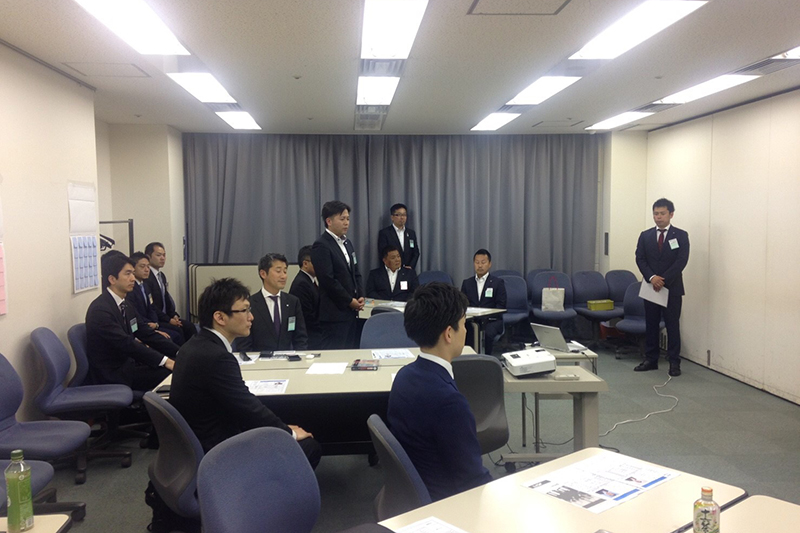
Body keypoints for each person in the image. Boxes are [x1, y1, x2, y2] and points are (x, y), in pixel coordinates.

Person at [169, 277, 321, 468]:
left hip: (193, 444)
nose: (251, 317)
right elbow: (248, 408)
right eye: (245, 310)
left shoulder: (194, 345)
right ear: (220, 317)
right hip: (216, 451)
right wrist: (287, 432)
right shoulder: (217, 357)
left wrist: (278, 427)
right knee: (309, 447)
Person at [387, 282, 492, 501]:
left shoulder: (404, 376)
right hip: (447, 504)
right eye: (463, 324)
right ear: (449, 334)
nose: (465, 330)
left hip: (415, 494)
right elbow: (473, 481)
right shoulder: (449, 402)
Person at [85, 253, 177, 390]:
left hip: (128, 364)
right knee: (169, 372)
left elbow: (145, 333)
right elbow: (126, 343)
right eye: (128, 274)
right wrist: (165, 361)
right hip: (111, 372)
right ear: (112, 279)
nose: (133, 278)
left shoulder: (126, 304)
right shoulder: (101, 310)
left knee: (175, 364)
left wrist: (179, 352)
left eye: (133, 273)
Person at [634, 198, 690, 376]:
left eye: (662, 213)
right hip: (651, 287)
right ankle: (651, 359)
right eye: (655, 214)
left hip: (672, 288)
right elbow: (640, 258)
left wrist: (663, 280)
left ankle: (674, 362)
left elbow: (681, 261)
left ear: (671, 214)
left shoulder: (681, 235)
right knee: (651, 324)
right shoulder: (645, 235)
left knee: (672, 325)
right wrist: (652, 278)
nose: (658, 217)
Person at [311, 201, 364, 349]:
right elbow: (328, 280)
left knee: (351, 353)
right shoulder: (321, 245)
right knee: (336, 355)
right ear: (329, 221)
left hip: (351, 312)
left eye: (348, 219)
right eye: (342, 219)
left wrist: (360, 295)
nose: (346, 223)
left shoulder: (348, 243)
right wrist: (349, 300)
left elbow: (356, 272)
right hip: (334, 314)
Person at [237, 253, 308, 352]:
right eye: (278, 271)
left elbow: (300, 338)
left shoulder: (293, 302)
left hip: (288, 359)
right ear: (263, 274)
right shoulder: (250, 304)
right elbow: (244, 342)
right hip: (259, 359)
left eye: (285, 271)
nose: (283, 276)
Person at [125, 252, 183, 345]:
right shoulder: (131, 289)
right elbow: (135, 314)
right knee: (172, 336)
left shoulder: (145, 285)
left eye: (148, 266)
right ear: (133, 269)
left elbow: (151, 308)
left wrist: (155, 323)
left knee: (179, 331)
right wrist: (149, 325)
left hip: (153, 323)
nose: (146, 270)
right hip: (142, 326)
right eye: (142, 266)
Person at [144, 242, 196, 344]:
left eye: (164, 255)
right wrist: (168, 320)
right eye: (158, 255)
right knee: (178, 332)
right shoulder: (147, 278)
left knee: (189, 326)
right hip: (156, 318)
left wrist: (174, 315)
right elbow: (152, 306)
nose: (162, 258)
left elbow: (166, 298)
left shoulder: (161, 276)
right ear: (148, 257)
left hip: (166, 316)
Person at [460, 249, 506, 355]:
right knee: (464, 331)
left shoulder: (497, 283)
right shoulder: (467, 283)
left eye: (483, 262)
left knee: (488, 334)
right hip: (471, 320)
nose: (480, 265)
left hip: (492, 320)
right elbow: (462, 304)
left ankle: (486, 358)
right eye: (477, 262)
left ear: (489, 264)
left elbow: (501, 305)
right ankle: (469, 358)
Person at [289, 245, 324, 350]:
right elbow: (307, 317)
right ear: (305, 264)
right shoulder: (301, 284)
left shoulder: (309, 281)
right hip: (310, 339)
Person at [377, 203, 420, 270]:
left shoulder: (411, 233)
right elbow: (383, 253)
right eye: (398, 215)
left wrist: (411, 266)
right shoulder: (385, 233)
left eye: (404, 215)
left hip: (408, 270)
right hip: (391, 270)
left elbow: (416, 252)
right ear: (392, 217)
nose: (402, 217)